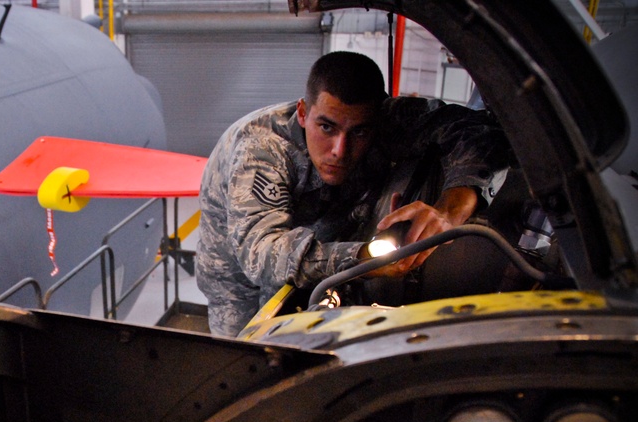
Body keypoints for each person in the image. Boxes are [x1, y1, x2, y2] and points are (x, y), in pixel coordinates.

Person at [195, 51, 511, 337]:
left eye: (359, 132)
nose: (339, 151)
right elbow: (262, 256)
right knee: (245, 363)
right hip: (240, 283)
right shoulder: (260, 150)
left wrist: (450, 209)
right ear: (304, 113)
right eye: (327, 127)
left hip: (320, 244)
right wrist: (362, 258)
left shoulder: (386, 119)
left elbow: (480, 132)